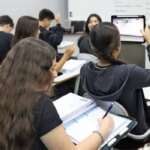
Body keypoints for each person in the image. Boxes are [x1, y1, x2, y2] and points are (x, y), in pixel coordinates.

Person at [0, 37, 113, 150]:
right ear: (36, 72)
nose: (55, 74)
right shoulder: (40, 105)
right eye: (52, 69)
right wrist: (102, 131)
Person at [80, 22, 150, 137]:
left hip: (106, 129)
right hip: (134, 132)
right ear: (118, 47)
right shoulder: (130, 72)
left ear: (92, 47)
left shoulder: (85, 70)